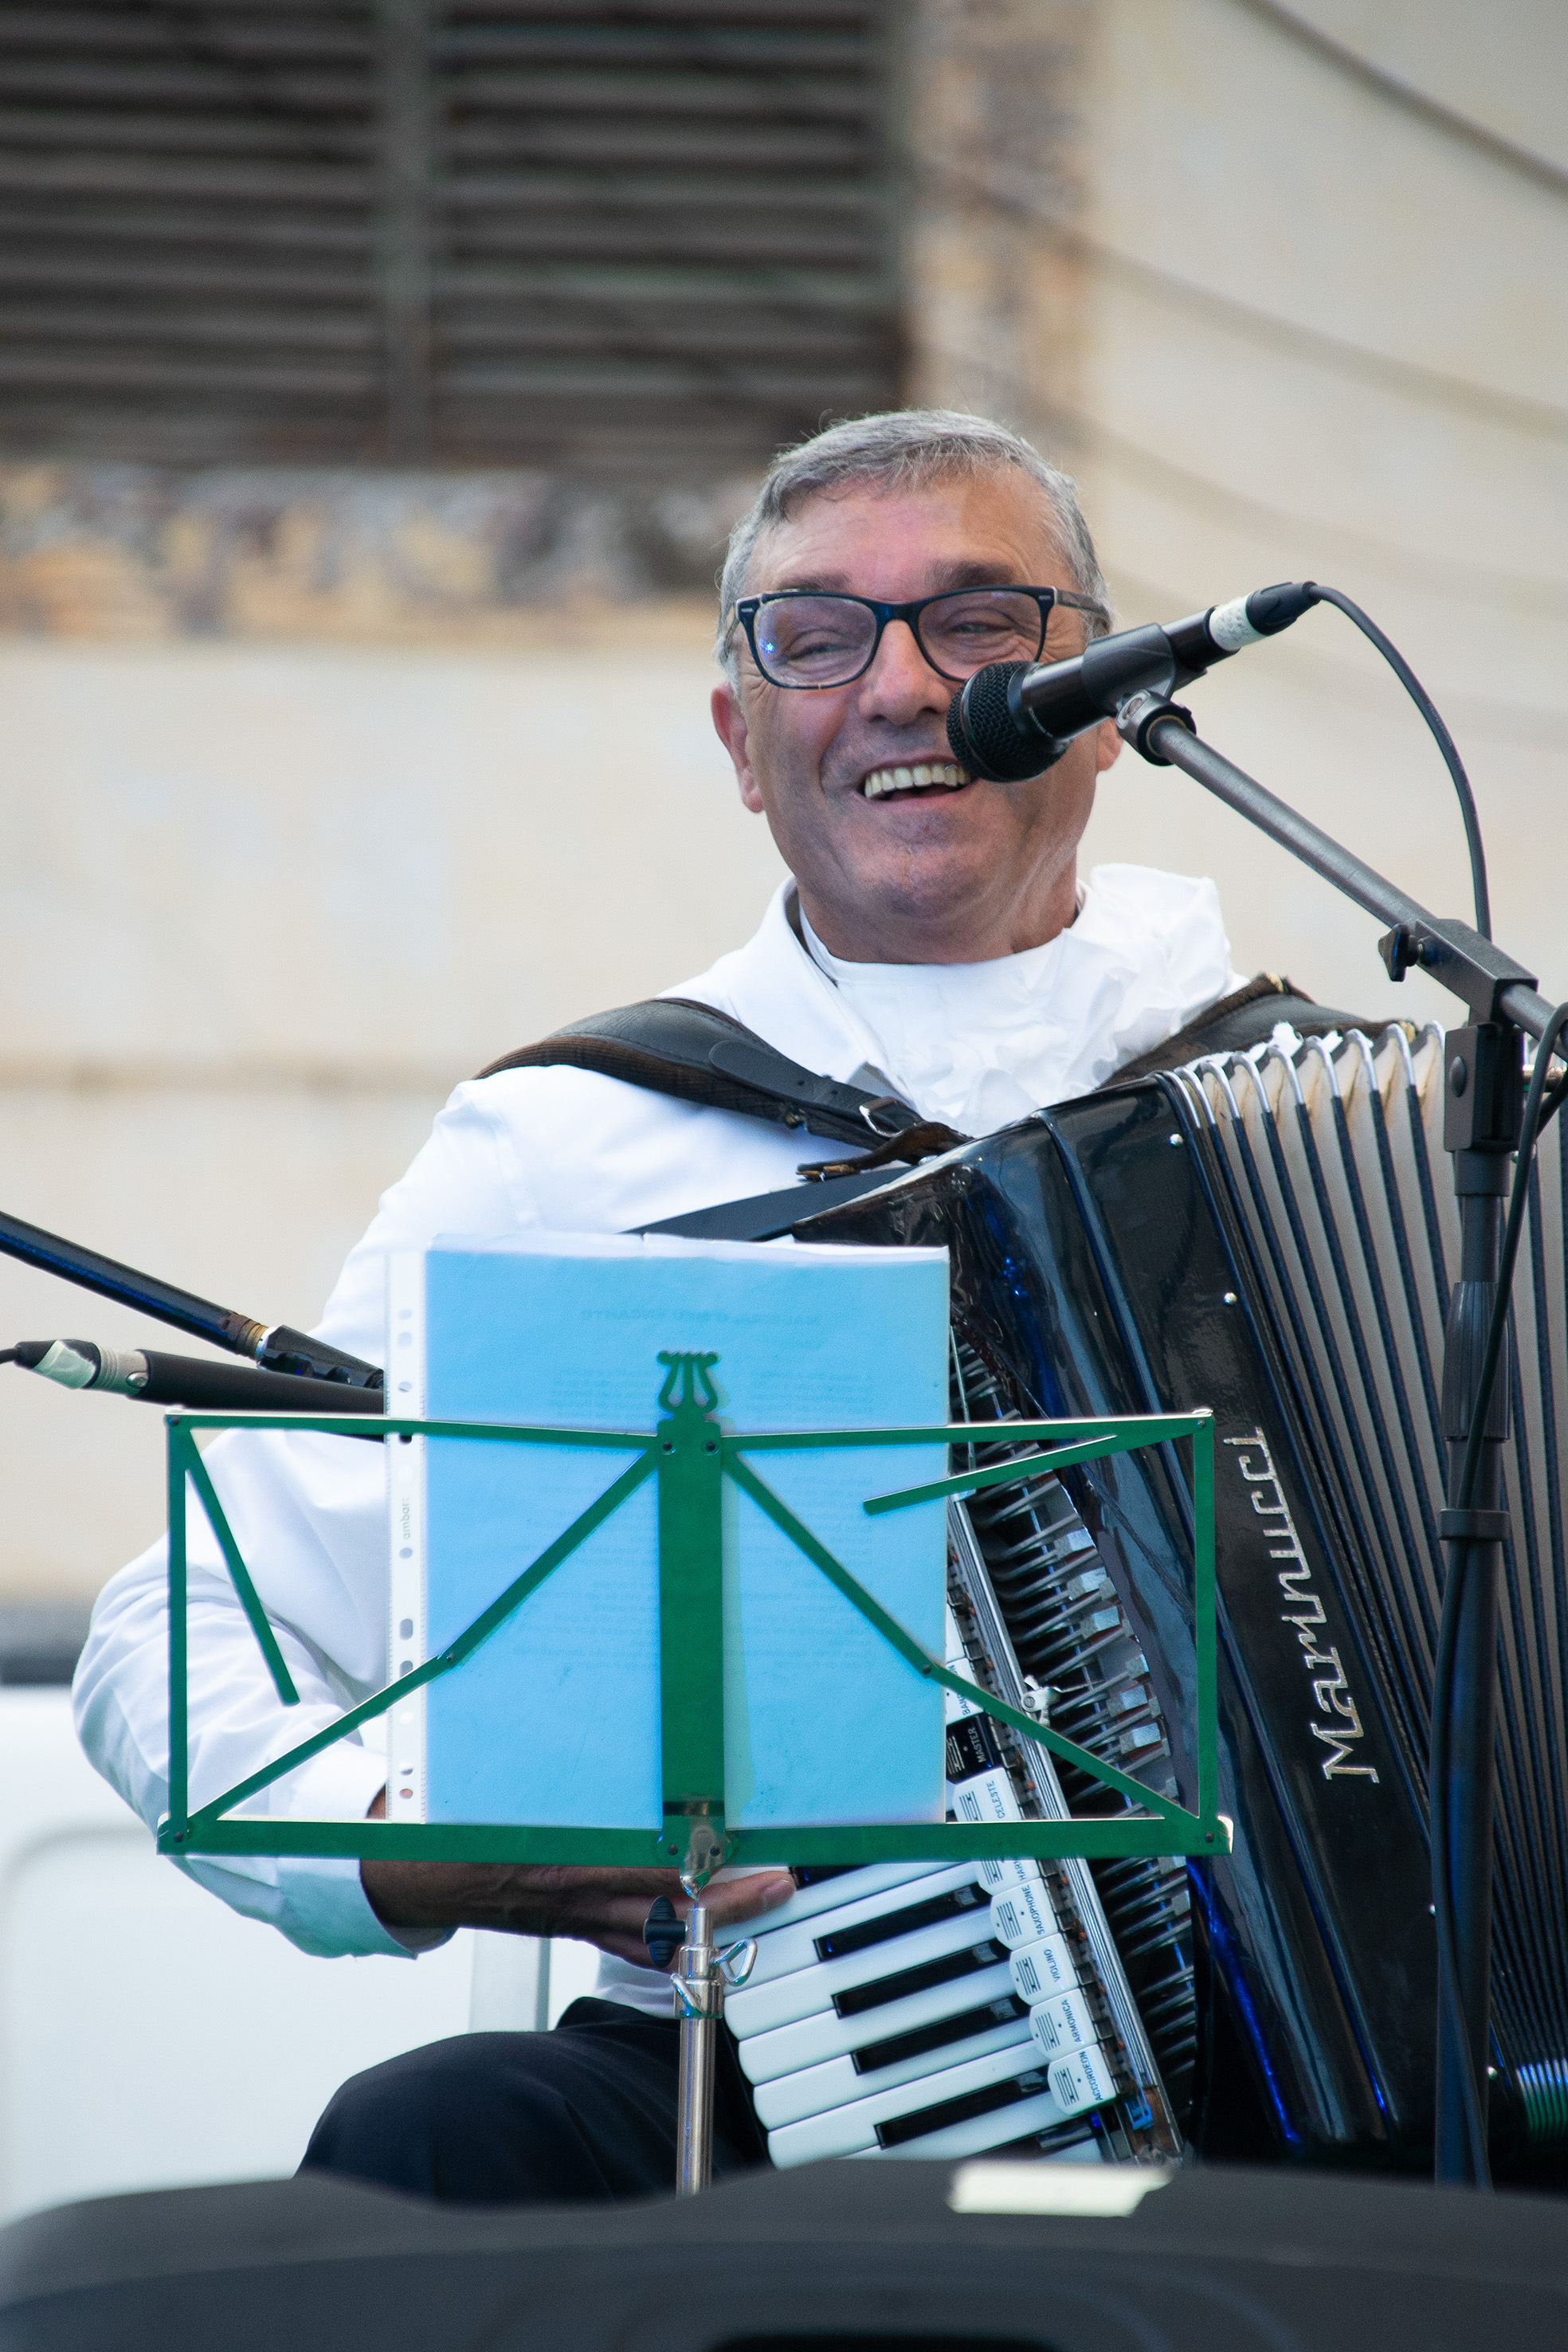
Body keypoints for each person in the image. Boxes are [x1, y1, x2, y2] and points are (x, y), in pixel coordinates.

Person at [73, 408, 1254, 2204]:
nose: (902, 688)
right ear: (740, 737)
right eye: (815, 636)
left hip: (1340, 2093)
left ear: (1090, 693)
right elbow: (178, 1622)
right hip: (774, 2055)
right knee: (435, 2144)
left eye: (980, 625)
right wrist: (426, 1856)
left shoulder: (1324, 1089)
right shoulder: (579, 1139)